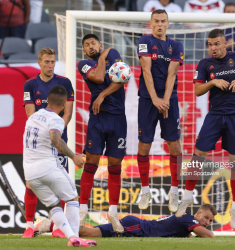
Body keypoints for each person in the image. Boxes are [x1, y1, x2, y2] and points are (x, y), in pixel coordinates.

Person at [176, 29, 235, 230]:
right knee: (198, 154)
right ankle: (187, 197)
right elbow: (198, 90)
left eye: (217, 44)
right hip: (214, 116)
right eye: (210, 44)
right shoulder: (204, 64)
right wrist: (213, 82)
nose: (213, 48)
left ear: (225, 43)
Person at [23, 85, 96, 247]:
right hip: (48, 167)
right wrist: (74, 156)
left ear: (47, 100)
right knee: (72, 199)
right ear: (64, 104)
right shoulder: (56, 119)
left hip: (30, 174)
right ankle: (76, 236)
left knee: (54, 205)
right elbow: (56, 139)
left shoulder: (33, 117)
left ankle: (71, 238)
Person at [22, 47, 74, 238]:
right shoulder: (30, 84)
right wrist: (48, 134)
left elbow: (67, 113)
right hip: (37, 143)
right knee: (31, 183)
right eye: (46, 62)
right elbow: (30, 115)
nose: (50, 65)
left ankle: (58, 227)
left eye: (52, 62)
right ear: (39, 63)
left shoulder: (64, 83)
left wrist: (57, 132)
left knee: (58, 183)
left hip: (59, 139)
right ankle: (29, 226)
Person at [77, 34, 127, 233]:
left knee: (115, 164)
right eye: (87, 45)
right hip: (98, 119)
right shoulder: (83, 64)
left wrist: (103, 95)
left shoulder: (113, 53)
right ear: (84, 50)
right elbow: (98, 77)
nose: (90, 46)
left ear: (100, 44)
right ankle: (82, 211)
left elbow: (122, 78)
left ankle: (113, 213)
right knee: (91, 162)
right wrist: (101, 58)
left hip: (117, 119)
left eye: (93, 43)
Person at [136, 9, 184, 213]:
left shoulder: (176, 45)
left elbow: (172, 74)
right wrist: (155, 98)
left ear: (168, 23)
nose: (159, 24)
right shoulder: (145, 41)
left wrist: (164, 100)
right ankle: (145, 189)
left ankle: (174, 190)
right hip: (148, 100)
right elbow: (146, 70)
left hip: (169, 101)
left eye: (163, 21)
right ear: (151, 22)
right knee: (144, 144)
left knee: (174, 144)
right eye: (156, 21)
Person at [34, 203, 217, 238]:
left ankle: (48, 225)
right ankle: (51, 224)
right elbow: (209, 236)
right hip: (136, 227)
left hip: (135, 224)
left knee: (90, 232)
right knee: (90, 233)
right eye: (206, 218)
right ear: (198, 213)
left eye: (210, 221)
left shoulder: (185, 219)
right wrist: (206, 231)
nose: (207, 222)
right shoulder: (188, 220)